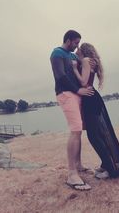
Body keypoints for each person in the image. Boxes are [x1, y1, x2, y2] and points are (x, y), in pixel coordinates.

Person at [72, 42, 119, 179]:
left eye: (79, 49)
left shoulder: (85, 60)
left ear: (83, 50)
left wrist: (74, 69)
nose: (77, 50)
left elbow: (84, 82)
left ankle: (110, 168)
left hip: (90, 99)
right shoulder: (90, 61)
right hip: (93, 98)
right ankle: (107, 164)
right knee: (101, 134)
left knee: (94, 136)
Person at [50, 30, 94, 191]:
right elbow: (60, 76)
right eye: (75, 43)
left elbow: (83, 71)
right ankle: (71, 174)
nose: (77, 46)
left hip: (77, 94)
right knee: (75, 130)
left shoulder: (74, 56)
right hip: (66, 94)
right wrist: (78, 90)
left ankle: (79, 165)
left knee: (79, 131)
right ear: (68, 40)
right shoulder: (57, 53)